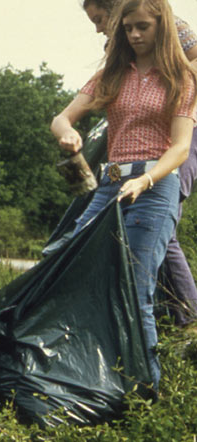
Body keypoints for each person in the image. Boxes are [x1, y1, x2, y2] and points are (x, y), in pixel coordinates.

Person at [51, 0, 197, 387]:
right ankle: (85, 373)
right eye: (128, 28)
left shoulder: (182, 78)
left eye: (143, 27)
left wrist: (146, 180)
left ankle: (147, 390)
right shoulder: (113, 74)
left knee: (136, 287)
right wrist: (66, 131)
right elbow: (62, 116)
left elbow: (180, 148)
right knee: (69, 258)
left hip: (155, 185)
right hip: (111, 182)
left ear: (161, 25)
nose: (134, 35)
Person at [83, 0, 197, 326]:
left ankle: (186, 316)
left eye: (100, 19)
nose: (98, 27)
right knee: (144, 230)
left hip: (183, 133)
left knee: (162, 216)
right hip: (133, 153)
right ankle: (164, 311)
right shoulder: (124, 45)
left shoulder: (173, 28)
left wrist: (169, 84)